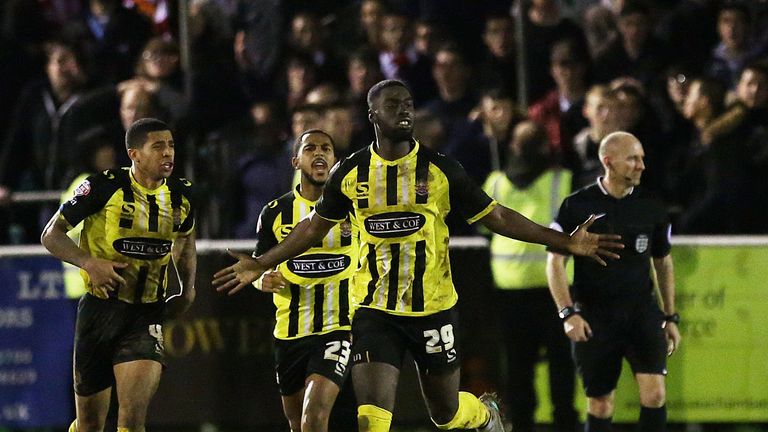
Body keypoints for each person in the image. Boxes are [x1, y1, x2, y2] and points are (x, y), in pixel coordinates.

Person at [213, 79, 622, 432]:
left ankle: (482, 413)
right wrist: (263, 261)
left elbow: (495, 215)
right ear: (372, 114)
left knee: (444, 413)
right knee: (371, 419)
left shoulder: (440, 169)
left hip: (433, 307)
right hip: (374, 308)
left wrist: (564, 241)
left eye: (408, 104)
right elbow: (313, 227)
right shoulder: (350, 173)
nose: (404, 111)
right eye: (392, 105)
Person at [40, 118, 197, 432]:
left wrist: (188, 287)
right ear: (134, 154)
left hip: (145, 314)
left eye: (171, 145)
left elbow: (186, 239)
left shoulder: (182, 194)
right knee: (90, 424)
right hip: (100, 311)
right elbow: (51, 234)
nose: (168, 153)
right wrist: (89, 263)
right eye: (158, 146)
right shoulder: (103, 186)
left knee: (132, 420)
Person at [545, 131, 682, 432]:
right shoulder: (577, 206)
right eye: (633, 158)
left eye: (642, 158)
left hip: (641, 313)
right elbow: (555, 261)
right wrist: (568, 313)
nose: (641, 165)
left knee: (655, 394)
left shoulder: (651, 206)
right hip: (596, 315)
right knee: (601, 403)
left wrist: (670, 315)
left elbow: (662, 261)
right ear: (608, 161)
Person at [251, 129, 358, 432]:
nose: (320, 153)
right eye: (310, 148)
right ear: (296, 160)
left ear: (335, 160)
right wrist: (263, 281)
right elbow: (258, 266)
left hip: (338, 329)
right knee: (298, 424)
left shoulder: (354, 208)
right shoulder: (275, 212)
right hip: (290, 334)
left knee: (313, 419)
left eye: (326, 148)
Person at [482, 121, 578, 432]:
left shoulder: (497, 182)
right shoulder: (561, 179)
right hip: (544, 293)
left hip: (533, 292)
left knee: (528, 369)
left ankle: (528, 425)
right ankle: (554, 423)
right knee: (550, 369)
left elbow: (482, 228)